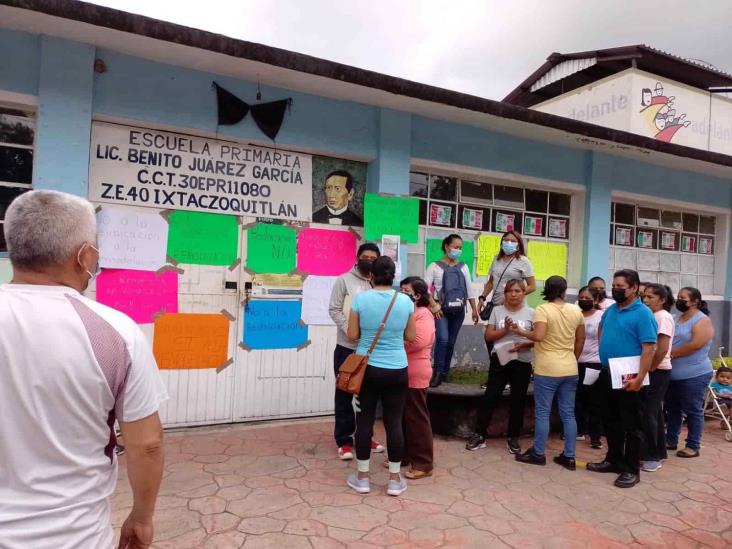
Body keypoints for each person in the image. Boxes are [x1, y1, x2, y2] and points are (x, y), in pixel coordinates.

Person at [0, 190, 168, 547]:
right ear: (85, 255)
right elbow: (147, 444)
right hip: (75, 538)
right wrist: (142, 517)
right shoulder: (116, 331)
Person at [346, 256, 416, 496]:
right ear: (393, 275)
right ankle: (395, 480)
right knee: (394, 422)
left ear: (371, 275)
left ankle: (363, 477)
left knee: (364, 421)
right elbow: (410, 336)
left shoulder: (361, 299)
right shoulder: (406, 301)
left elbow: (353, 334)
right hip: (397, 368)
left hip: (367, 369)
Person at [588, 269, 657, 489]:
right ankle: (614, 460)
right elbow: (602, 328)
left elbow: (649, 348)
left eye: (621, 286)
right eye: (614, 285)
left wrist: (639, 378)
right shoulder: (612, 310)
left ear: (635, 287)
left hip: (631, 377)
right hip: (610, 373)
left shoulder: (643, 313)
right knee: (610, 420)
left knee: (632, 425)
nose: (616, 289)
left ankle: (631, 469)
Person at [512, 276, 585, 469]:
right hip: (569, 367)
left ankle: (538, 453)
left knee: (543, 412)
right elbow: (580, 340)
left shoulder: (543, 310)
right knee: (568, 413)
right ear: (564, 290)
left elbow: (539, 336)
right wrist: (572, 359)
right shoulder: (575, 310)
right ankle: (569, 456)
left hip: (547, 369)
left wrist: (521, 332)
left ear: (546, 290)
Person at [328, 242, 384, 460]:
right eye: (365, 257)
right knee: (344, 393)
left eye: (373, 258)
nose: (368, 261)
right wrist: (350, 330)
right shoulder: (344, 280)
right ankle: (344, 440)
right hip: (347, 347)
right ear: (357, 257)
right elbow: (334, 309)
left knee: (367, 397)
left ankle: (365, 436)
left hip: (371, 350)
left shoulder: (379, 283)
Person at [466, 279, 534, 455]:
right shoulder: (497, 311)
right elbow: (488, 336)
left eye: (518, 291)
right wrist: (506, 330)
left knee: (518, 400)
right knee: (490, 396)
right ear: (505, 294)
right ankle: (479, 434)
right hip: (500, 359)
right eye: (510, 291)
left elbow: (538, 337)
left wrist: (525, 343)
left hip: (522, 360)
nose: (514, 294)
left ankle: (513, 437)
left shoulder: (532, 313)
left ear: (523, 293)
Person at [424, 234, 479, 387]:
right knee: (443, 339)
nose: (458, 250)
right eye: (455, 247)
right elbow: (424, 289)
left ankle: (445, 372)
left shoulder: (464, 267)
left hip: (458, 310)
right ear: (447, 246)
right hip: (440, 310)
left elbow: (469, 289)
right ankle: (436, 372)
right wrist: (434, 306)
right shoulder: (434, 266)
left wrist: (474, 310)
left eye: (460, 248)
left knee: (451, 341)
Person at [666, 287, 715, 458]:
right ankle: (670, 440)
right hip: (672, 374)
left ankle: (693, 445)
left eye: (683, 298)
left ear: (695, 302)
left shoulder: (702, 320)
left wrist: (670, 353)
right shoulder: (675, 318)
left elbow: (696, 344)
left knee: (693, 409)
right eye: (678, 297)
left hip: (694, 374)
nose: (679, 300)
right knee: (673, 409)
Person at [400, 276, 436, 478]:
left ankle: (423, 463)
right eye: (402, 289)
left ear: (418, 295)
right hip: (401, 370)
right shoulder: (407, 311)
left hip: (416, 371)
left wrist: (393, 342)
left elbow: (417, 342)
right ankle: (404, 455)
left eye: (407, 290)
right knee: (402, 417)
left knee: (417, 418)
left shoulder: (423, 314)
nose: (402, 293)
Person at [640, 284, 675, 472]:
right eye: (644, 296)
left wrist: (650, 368)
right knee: (654, 413)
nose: (645, 300)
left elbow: (662, 348)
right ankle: (659, 452)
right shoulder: (651, 315)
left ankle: (651, 456)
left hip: (658, 371)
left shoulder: (663, 317)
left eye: (650, 297)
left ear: (662, 300)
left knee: (648, 413)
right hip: (652, 369)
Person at [479, 230, 536, 311]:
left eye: (513, 241)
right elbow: (491, 282)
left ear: (518, 245)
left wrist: (513, 296)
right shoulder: (496, 259)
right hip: (496, 305)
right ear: (502, 243)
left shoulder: (524, 261)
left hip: (515, 306)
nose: (509, 243)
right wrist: (482, 297)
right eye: (506, 240)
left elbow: (532, 286)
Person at [576, 286, 604, 449]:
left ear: (595, 300)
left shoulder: (601, 316)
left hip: (594, 363)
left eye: (587, 298)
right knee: (578, 399)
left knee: (595, 401)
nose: (583, 300)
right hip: (576, 361)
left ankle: (595, 436)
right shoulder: (575, 315)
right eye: (581, 297)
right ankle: (579, 430)